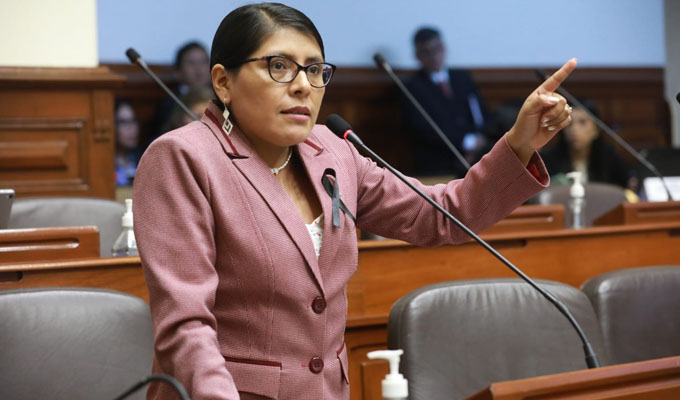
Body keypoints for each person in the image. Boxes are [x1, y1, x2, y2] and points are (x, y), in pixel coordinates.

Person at [133, 3, 576, 399]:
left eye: (314, 70)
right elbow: (186, 327)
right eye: (279, 66)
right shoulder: (184, 157)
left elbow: (445, 215)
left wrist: (520, 143)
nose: (303, 86)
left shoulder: (333, 151)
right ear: (223, 82)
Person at [403, 26, 492, 177]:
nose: (434, 56)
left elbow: (481, 113)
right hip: (439, 162)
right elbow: (421, 129)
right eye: (426, 52)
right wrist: (466, 142)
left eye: (437, 49)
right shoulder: (412, 87)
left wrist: (480, 140)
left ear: (444, 48)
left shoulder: (462, 78)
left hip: (477, 155)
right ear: (417, 55)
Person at [541, 99, 637, 190]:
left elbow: (630, 180)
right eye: (569, 123)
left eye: (582, 122)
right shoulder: (548, 159)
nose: (574, 130)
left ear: (596, 129)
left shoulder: (607, 155)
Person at [149, 41, 212, 144]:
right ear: (178, 71)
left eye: (203, 62)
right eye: (191, 63)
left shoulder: (222, 98)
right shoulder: (168, 103)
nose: (198, 69)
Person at [114, 100, 142, 186]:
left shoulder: (143, 158)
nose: (132, 128)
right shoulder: (103, 163)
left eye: (133, 121)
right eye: (124, 122)